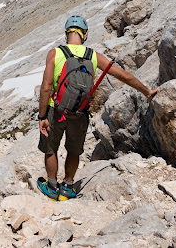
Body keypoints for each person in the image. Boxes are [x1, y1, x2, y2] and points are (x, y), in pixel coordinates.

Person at [37, 14, 158, 201]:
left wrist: (42, 116)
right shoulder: (93, 56)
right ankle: (68, 187)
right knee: (74, 150)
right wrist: (147, 91)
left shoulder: (56, 53)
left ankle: (52, 187)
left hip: (56, 109)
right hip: (80, 112)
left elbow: (45, 87)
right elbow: (124, 77)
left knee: (51, 148)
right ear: (84, 34)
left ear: (66, 33)